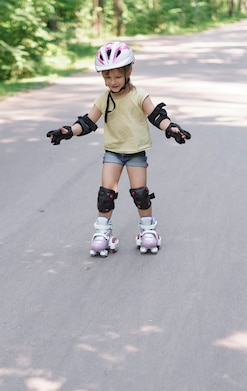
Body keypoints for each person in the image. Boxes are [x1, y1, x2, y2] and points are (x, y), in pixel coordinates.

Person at [46, 41, 191, 257]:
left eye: (117, 76)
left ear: (128, 71)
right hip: (113, 152)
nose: (112, 82)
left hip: (136, 153)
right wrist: (68, 131)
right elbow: (87, 122)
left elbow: (156, 116)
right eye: (107, 77)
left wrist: (171, 128)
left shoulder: (139, 95)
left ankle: (148, 230)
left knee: (140, 194)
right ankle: (102, 233)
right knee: (106, 194)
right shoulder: (104, 99)